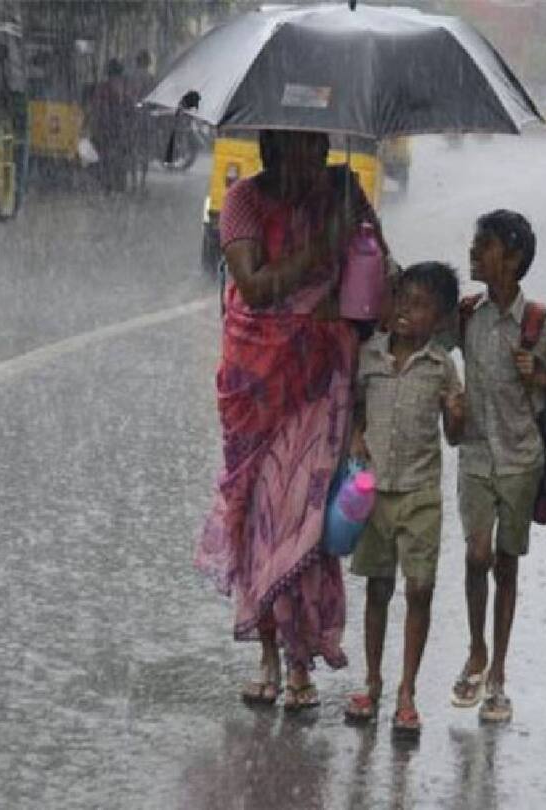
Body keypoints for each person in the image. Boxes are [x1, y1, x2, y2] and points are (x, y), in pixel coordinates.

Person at [196, 130, 388, 711]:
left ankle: (301, 661)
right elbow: (253, 287)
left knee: (303, 518)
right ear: (272, 150)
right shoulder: (244, 202)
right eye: (302, 148)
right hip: (256, 382)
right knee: (260, 518)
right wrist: (320, 249)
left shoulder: (342, 190)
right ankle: (270, 653)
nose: (316, 160)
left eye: (321, 148)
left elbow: (380, 271)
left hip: (322, 380)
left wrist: (357, 262)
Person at [451, 210, 546, 724]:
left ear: (511, 258)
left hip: (522, 461)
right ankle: (476, 649)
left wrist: (543, 377)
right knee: (476, 556)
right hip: (476, 457)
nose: (472, 252)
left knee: (506, 564)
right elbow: (420, 327)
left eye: (482, 245)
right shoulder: (467, 316)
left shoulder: (539, 325)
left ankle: (499, 674)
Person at [343, 262, 465, 736]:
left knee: (419, 589)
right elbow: (355, 407)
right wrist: (356, 435)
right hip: (375, 492)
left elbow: (455, 437)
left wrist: (456, 414)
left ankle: (406, 691)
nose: (405, 313)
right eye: (401, 300)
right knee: (377, 587)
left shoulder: (441, 367)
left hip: (420, 495)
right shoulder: (370, 356)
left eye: (419, 306)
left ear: (438, 320)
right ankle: (371, 682)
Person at [88, 58, 133, 195]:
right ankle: (117, 186)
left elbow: (96, 108)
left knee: (106, 158)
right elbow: (129, 108)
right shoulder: (125, 88)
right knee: (117, 157)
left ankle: (108, 186)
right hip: (118, 128)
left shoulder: (103, 88)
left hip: (106, 128)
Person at [128, 50, 156, 194]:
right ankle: (142, 183)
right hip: (146, 119)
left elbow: (129, 96)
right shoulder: (150, 78)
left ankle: (133, 183)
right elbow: (153, 100)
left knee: (134, 151)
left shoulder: (131, 77)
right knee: (144, 152)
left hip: (133, 118)